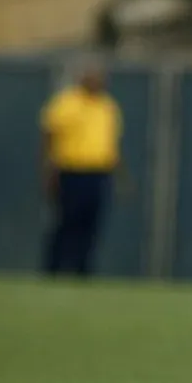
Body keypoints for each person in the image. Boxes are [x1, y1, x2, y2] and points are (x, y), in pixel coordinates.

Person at [40, 62, 124, 277]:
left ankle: (82, 270)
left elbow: (110, 145)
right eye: (93, 76)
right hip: (71, 172)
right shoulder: (66, 104)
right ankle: (53, 268)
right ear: (82, 78)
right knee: (67, 221)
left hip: (98, 173)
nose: (98, 81)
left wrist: (121, 177)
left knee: (92, 224)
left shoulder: (108, 107)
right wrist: (49, 171)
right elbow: (49, 137)